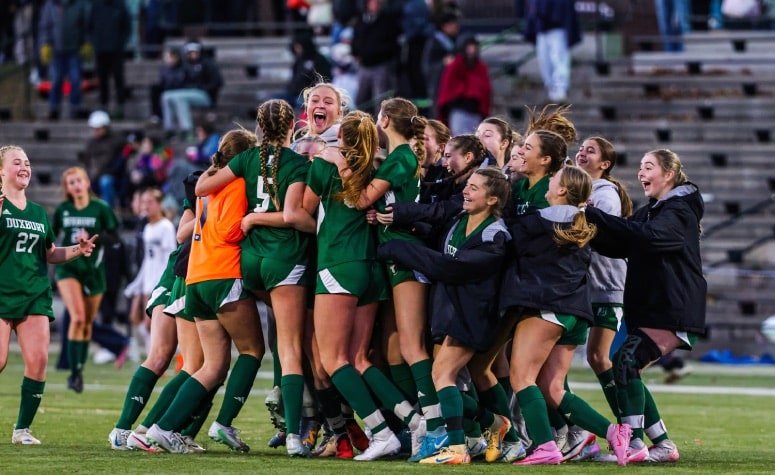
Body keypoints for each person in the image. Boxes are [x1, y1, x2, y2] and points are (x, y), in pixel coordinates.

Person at [304, 110, 428, 461]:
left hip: (338, 263)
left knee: (331, 360)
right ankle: (413, 419)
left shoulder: (327, 165)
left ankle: (380, 432)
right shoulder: (377, 168)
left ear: (340, 138)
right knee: (359, 358)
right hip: (373, 268)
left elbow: (303, 211)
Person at [195, 100, 314, 456]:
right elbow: (294, 217)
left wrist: (219, 163)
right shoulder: (296, 163)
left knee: (277, 337)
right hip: (284, 257)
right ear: (293, 124)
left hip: (250, 262)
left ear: (260, 128)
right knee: (291, 348)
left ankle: (270, 406)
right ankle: (295, 434)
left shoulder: (247, 159)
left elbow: (202, 187)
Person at [378, 167, 513, 464]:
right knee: (444, 379)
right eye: (469, 186)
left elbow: (452, 267)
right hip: (450, 310)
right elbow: (440, 245)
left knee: (442, 375)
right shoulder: (459, 220)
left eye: (475, 188)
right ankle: (494, 424)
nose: (466, 191)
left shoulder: (496, 235)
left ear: (492, 199)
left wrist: (399, 249)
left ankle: (458, 448)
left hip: (474, 314)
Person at [501, 164, 632, 465]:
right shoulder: (582, 222)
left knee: (522, 377)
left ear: (562, 190)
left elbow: (507, 237)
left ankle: (546, 446)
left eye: (553, 180)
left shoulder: (537, 221)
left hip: (548, 309)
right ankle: (613, 431)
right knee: (552, 388)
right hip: (576, 313)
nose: (547, 183)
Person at [147, 129, 266, 454]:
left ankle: (162, 428)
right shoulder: (236, 184)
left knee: (212, 366)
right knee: (253, 349)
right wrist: (252, 220)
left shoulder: (208, 185)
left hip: (195, 277)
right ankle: (222, 422)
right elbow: (228, 230)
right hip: (222, 274)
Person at [584, 149, 706, 463]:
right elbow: (622, 243)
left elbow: (650, 238)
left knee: (625, 361)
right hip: (652, 305)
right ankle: (661, 445)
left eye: (648, 167)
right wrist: (587, 229)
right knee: (623, 362)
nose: (641, 173)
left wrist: (597, 216)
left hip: (672, 305)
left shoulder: (679, 210)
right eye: (640, 167)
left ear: (668, 174)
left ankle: (635, 444)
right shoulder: (654, 209)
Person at [356, 97, 445, 462]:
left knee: (411, 347)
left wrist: (338, 168)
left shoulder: (401, 156)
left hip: (405, 254)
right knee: (394, 350)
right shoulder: (404, 155)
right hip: (395, 252)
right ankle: (419, 423)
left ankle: (439, 428)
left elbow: (362, 199)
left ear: (385, 118)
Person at [0, 145, 97, 445]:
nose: (24, 167)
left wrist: (77, 251)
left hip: (35, 295)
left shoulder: (40, 212)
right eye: (16, 162)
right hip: (2, 294)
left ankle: (22, 430)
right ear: (1, 171)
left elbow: (50, 253)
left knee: (39, 361)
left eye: (27, 162)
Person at [52, 167, 119, 393]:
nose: (76, 185)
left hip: (94, 270)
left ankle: (79, 369)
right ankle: (73, 373)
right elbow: (50, 240)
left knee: (87, 323)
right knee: (78, 317)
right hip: (69, 270)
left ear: (87, 182)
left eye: (79, 180)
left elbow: (114, 237)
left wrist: (92, 243)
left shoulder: (100, 208)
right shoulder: (63, 210)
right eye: (71, 182)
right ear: (67, 188)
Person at [37, 0, 90, 120]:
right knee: (56, 80)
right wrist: (45, 43)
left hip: (74, 50)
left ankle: (75, 108)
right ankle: (54, 108)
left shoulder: (79, 4)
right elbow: (45, 27)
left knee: (76, 80)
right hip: (56, 51)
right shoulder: (50, 5)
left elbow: (85, 26)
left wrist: (86, 42)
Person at [161, 39, 223, 141]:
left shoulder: (207, 64)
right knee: (166, 96)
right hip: (188, 93)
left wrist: (203, 88)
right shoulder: (185, 65)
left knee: (179, 97)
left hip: (205, 95)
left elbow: (218, 82)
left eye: (195, 51)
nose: (193, 54)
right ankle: (169, 129)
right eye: (190, 52)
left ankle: (187, 129)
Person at [523, 0, 582, 103]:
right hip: (542, 30)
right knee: (545, 62)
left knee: (559, 60)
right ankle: (552, 90)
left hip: (557, 29)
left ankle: (560, 90)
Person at [435, 34, 492, 136]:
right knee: (459, 140)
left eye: (474, 47)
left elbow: (485, 90)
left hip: (475, 112)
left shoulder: (480, 67)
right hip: (459, 111)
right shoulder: (455, 65)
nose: (471, 50)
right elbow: (448, 90)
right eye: (469, 47)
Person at [351, 0, 401, 113]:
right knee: (360, 99)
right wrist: (356, 53)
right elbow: (355, 40)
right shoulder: (361, 20)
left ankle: (380, 127)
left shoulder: (387, 22)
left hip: (380, 65)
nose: (375, 6)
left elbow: (392, 44)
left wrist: (374, 53)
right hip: (364, 65)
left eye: (377, 3)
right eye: (372, 3)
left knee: (380, 99)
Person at [88, 0, 131, 119]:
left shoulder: (120, 5)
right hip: (100, 49)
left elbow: (127, 26)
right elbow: (89, 26)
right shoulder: (96, 5)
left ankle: (120, 106)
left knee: (119, 78)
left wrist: (121, 43)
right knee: (102, 79)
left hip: (116, 49)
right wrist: (95, 43)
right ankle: (103, 105)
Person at [79, 111, 127, 209]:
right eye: (94, 129)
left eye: (99, 128)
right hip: (94, 175)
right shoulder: (91, 143)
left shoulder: (117, 141)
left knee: (105, 182)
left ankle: (107, 211)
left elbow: (126, 154)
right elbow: (87, 161)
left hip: (111, 174)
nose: (96, 131)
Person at [422, 4, 460, 119]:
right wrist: (443, 64)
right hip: (438, 88)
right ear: (445, 26)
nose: (457, 27)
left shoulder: (455, 41)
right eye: (453, 24)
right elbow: (427, 67)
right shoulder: (434, 43)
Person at [285, 30, 332, 108]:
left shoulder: (319, 60)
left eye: (298, 47)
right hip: (294, 93)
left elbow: (324, 80)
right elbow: (294, 80)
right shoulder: (299, 60)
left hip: (311, 95)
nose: (297, 50)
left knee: (300, 102)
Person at [148, 46, 187, 126]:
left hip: (180, 89)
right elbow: (163, 82)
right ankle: (157, 116)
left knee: (166, 95)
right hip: (167, 89)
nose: (169, 59)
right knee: (155, 89)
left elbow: (180, 81)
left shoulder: (183, 67)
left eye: (172, 57)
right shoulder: (164, 69)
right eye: (168, 57)